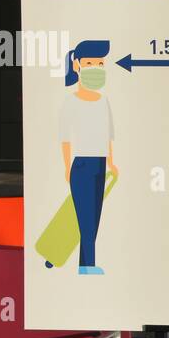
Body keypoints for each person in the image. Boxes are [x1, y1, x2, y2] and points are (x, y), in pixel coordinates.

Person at [60, 39, 117, 275]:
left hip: (100, 163)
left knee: (94, 218)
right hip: (81, 164)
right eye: (90, 62)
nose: (96, 67)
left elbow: (108, 134)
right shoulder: (71, 101)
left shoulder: (103, 101)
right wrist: (67, 166)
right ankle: (89, 265)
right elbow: (65, 138)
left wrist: (111, 162)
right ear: (77, 66)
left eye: (100, 63)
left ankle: (84, 266)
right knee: (86, 220)